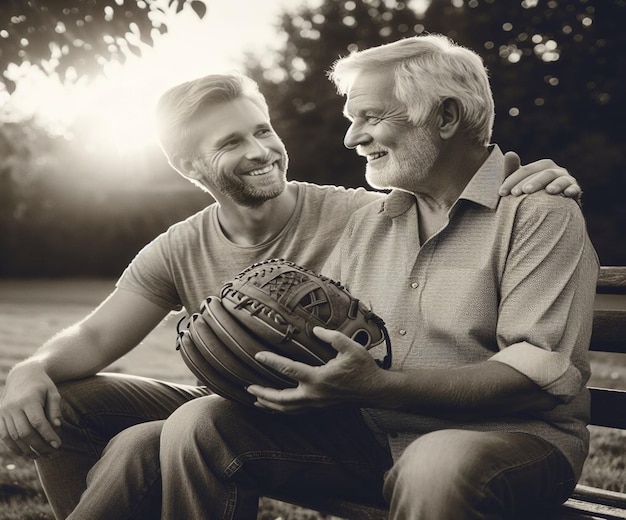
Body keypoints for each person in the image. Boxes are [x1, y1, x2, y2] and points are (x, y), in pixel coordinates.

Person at [0, 72, 579, 519]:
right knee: (66, 399)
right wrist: (33, 367)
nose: (261, 150)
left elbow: (447, 196)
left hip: (327, 411)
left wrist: (526, 176)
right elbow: (98, 335)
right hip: (235, 400)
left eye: (263, 130)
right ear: (188, 166)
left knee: (142, 444)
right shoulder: (180, 245)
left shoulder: (365, 212)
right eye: (233, 141)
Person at [155, 36, 599, 520]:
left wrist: (377, 387)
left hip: (510, 443)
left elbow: (536, 377)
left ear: (446, 117)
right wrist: (261, 357)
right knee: (200, 423)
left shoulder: (539, 215)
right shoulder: (371, 221)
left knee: (436, 463)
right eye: (351, 120)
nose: (351, 138)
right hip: (373, 438)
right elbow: (327, 338)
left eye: (371, 117)